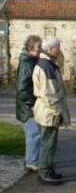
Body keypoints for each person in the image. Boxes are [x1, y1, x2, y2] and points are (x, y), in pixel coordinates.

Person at [32, 36, 70, 185]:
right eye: (57, 47)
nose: (59, 50)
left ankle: (47, 168)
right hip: (49, 111)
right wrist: (57, 112)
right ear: (50, 49)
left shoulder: (46, 64)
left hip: (46, 109)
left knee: (48, 142)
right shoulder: (46, 66)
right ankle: (45, 172)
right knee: (48, 142)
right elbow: (49, 93)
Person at [16, 35, 42, 172]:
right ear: (30, 48)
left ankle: (35, 159)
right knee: (34, 133)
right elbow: (22, 88)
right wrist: (32, 103)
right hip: (28, 107)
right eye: (38, 47)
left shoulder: (32, 61)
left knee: (36, 133)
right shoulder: (27, 63)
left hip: (30, 105)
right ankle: (32, 162)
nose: (40, 49)